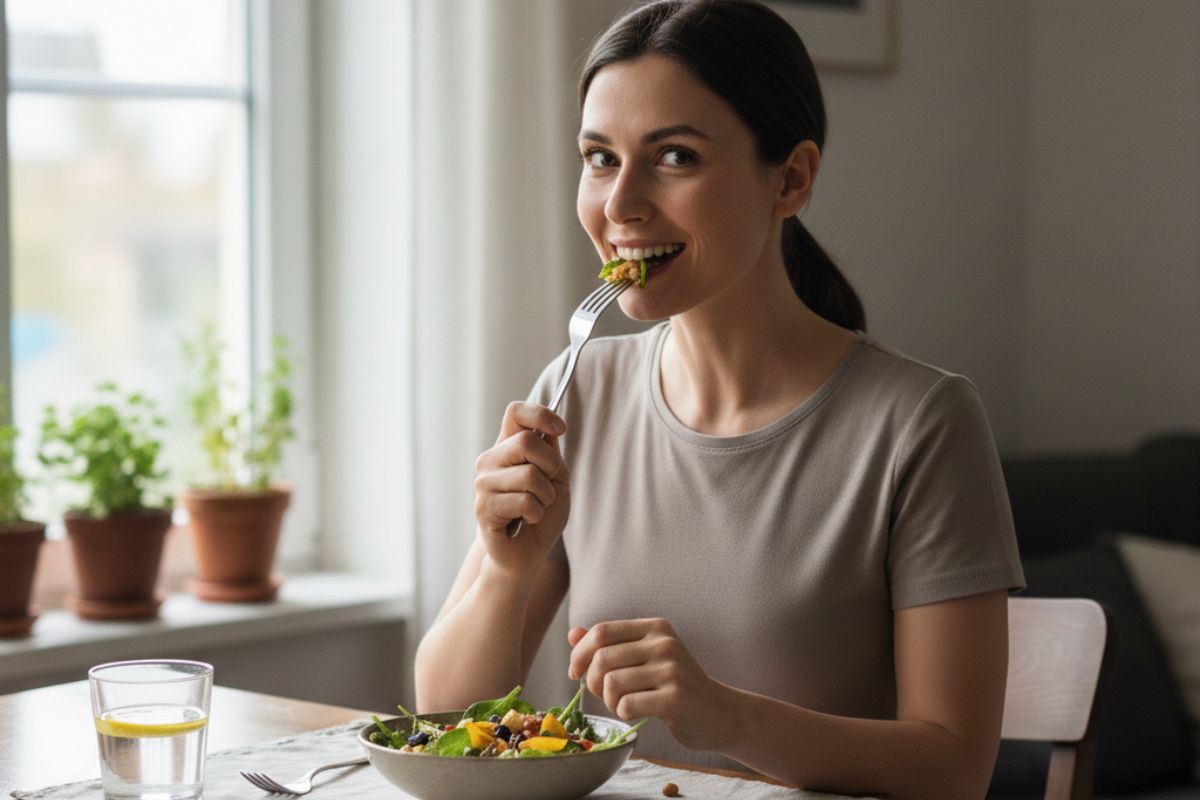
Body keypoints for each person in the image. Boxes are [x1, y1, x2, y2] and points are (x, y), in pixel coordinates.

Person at [414, 1, 1024, 797]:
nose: (620, 204)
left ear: (791, 179)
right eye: (600, 158)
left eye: (674, 156)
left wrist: (725, 716)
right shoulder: (577, 394)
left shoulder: (921, 424)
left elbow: (956, 769)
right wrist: (504, 570)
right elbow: (440, 718)